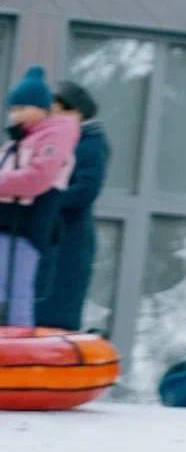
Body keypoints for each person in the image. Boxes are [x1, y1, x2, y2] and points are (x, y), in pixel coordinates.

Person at [0, 66, 78, 326]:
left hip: (26, 226)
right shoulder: (16, 142)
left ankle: (19, 354)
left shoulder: (54, 137)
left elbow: (38, 178)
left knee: (17, 293)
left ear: (41, 109)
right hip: (6, 223)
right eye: (12, 109)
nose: (15, 115)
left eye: (22, 108)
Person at [34, 80, 110, 331]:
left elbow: (86, 190)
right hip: (46, 238)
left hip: (67, 242)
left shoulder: (90, 144)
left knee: (52, 315)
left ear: (78, 113)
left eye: (61, 112)